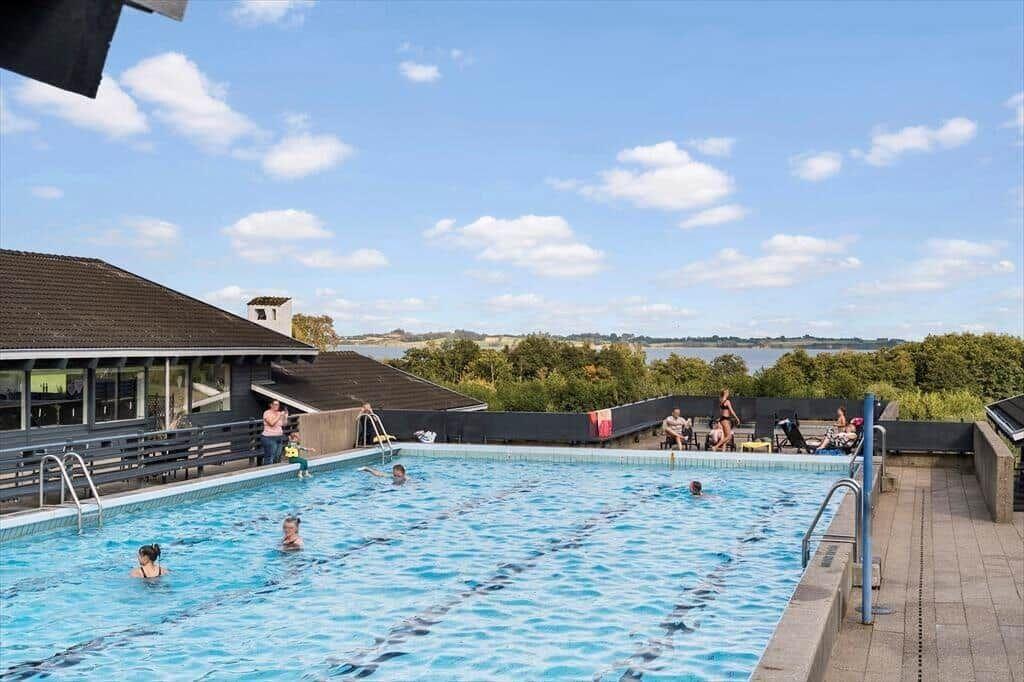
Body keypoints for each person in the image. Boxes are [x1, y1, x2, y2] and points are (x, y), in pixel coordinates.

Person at [261, 400, 288, 466]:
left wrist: (285, 417)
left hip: (279, 437)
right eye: (275, 404)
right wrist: (279, 415)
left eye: (278, 405)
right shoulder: (267, 413)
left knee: (277, 457)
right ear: (271, 405)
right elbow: (271, 423)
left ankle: (276, 472)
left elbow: (284, 424)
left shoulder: (279, 413)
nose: (277, 406)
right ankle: (267, 472)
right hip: (269, 438)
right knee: (270, 457)